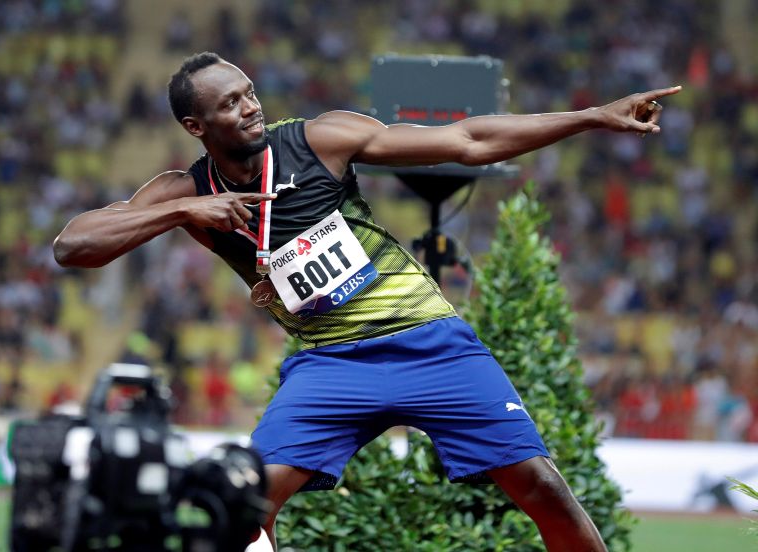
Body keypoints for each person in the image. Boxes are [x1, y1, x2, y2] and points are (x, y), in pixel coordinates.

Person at [53, 51, 681, 551]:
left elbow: (469, 141)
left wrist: (594, 116)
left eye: (249, 93)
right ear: (196, 126)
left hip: (429, 343)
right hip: (332, 366)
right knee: (240, 504)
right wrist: (184, 211)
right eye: (229, 104)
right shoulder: (183, 190)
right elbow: (72, 246)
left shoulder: (319, 139)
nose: (249, 108)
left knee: (542, 488)